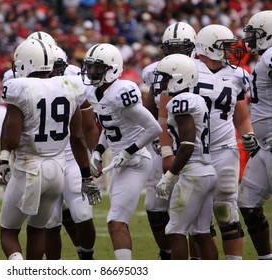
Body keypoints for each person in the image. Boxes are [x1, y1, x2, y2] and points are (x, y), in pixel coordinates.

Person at [0, 38, 101, 260]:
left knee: (8, 231)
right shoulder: (70, 86)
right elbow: (77, 137)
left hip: (30, 166)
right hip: (58, 168)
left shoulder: (19, 87)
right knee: (38, 229)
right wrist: (86, 177)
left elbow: (12, 139)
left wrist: (5, 157)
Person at [84, 43, 162, 260]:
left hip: (136, 161)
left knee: (116, 222)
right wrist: (98, 150)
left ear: (112, 68)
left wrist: (129, 151)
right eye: (89, 67)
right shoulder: (94, 92)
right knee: (115, 222)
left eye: (96, 68)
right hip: (121, 161)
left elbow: (154, 128)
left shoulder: (122, 92)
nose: (91, 72)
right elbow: (110, 127)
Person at [193, 24, 254, 260]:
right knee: (196, 212)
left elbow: (242, 117)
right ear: (210, 46)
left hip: (225, 147)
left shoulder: (238, 75)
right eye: (225, 46)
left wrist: (248, 137)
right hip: (194, 150)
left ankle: (233, 266)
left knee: (227, 207)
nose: (231, 51)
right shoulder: (189, 69)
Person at [153, 53, 218, 260]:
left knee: (175, 230)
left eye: (165, 77)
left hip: (193, 173)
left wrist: (170, 175)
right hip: (207, 171)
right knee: (201, 233)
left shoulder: (180, 101)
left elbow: (187, 145)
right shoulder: (197, 99)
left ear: (178, 77)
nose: (162, 82)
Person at [141, 21, 196, 260]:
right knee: (154, 208)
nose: (175, 52)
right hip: (162, 145)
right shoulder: (153, 71)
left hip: (193, 147)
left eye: (180, 47)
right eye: (170, 47)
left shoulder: (200, 70)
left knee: (194, 216)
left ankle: (196, 260)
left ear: (192, 47)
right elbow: (151, 109)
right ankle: (167, 254)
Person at [44, 44, 99, 260]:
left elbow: (86, 125)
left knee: (83, 214)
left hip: (70, 156)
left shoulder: (73, 81)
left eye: (59, 67)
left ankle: (86, 260)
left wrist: (94, 153)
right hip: (43, 157)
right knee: (50, 222)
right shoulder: (26, 84)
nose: (54, 72)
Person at [238, 10, 272, 260]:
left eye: (255, 34)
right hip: (264, 146)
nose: (250, 39)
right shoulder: (263, 58)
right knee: (248, 203)